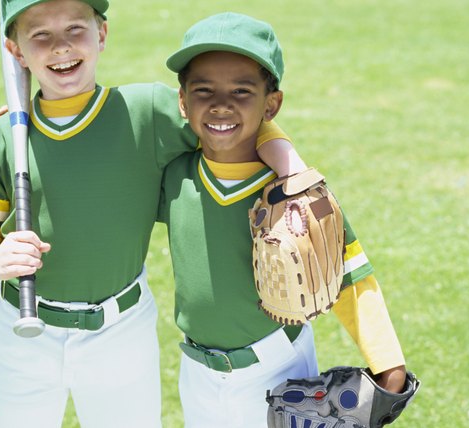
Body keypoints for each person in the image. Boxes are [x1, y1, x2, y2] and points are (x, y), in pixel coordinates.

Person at [0, 1, 305, 427]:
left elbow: (234, 118)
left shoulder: (148, 112)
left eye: (75, 30)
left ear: (101, 35)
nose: (61, 47)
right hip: (21, 328)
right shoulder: (6, 136)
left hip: (120, 330)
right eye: (40, 35)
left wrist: (291, 165)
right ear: (17, 52)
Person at [157, 12, 407, 427]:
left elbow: (351, 278)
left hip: (276, 367)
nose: (221, 104)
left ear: (271, 104)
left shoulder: (300, 196)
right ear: (182, 100)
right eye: (203, 90)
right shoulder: (174, 174)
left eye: (242, 90)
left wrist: (388, 363)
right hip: (196, 369)